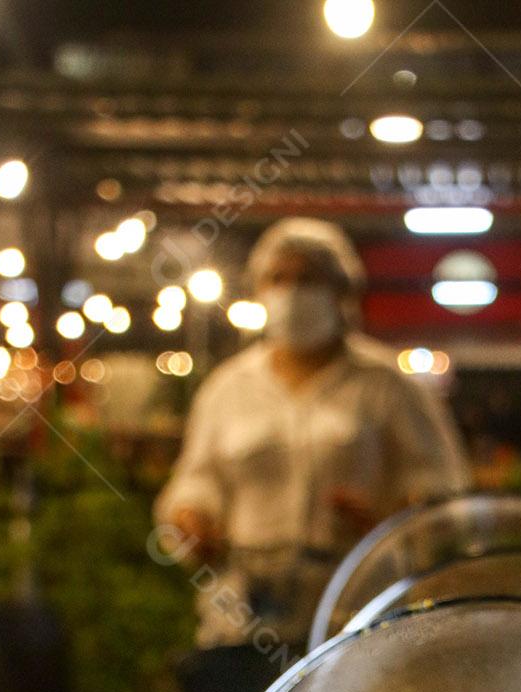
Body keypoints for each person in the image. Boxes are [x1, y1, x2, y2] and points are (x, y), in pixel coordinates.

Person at [156, 217, 469, 649]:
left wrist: (390, 523)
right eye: (278, 279)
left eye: (308, 278)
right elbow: (196, 480)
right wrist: (191, 519)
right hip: (242, 618)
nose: (292, 292)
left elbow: (443, 489)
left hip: (356, 612)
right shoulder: (227, 389)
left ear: (342, 289)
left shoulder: (388, 385)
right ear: (260, 289)